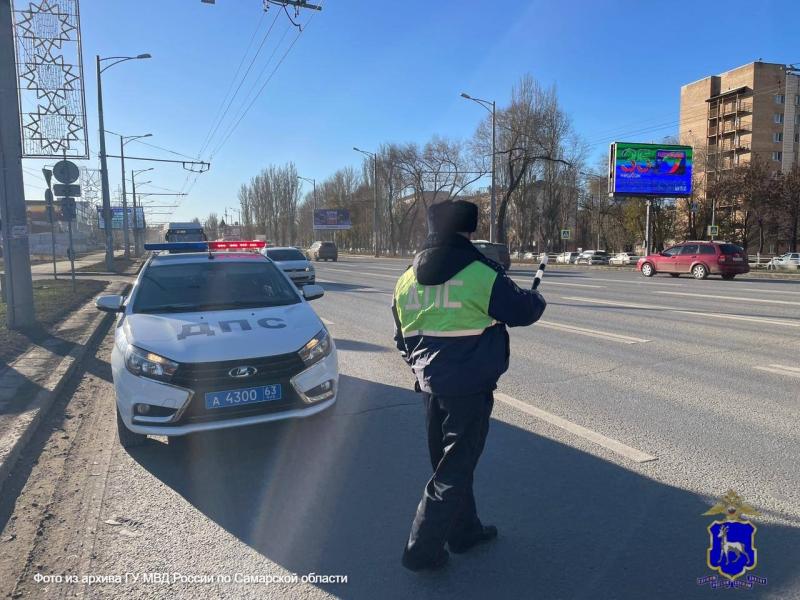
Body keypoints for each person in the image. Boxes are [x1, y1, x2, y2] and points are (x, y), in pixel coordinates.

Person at [392, 199, 547, 572]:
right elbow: (523, 311)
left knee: (448, 465)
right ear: (469, 230)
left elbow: (401, 337)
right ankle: (421, 551)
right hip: (469, 387)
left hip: (429, 387)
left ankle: (464, 532)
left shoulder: (405, 279)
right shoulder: (481, 274)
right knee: (454, 469)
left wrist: (421, 368)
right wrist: (537, 297)